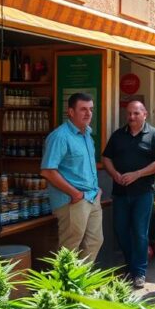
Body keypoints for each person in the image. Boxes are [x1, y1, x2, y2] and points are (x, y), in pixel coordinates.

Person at [101, 100, 155, 288]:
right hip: (120, 192)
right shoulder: (118, 135)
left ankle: (139, 272)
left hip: (143, 193)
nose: (131, 117)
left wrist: (137, 174)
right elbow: (106, 157)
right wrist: (114, 174)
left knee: (139, 232)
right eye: (129, 113)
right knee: (121, 231)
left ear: (145, 114)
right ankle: (130, 266)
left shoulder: (154, 135)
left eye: (136, 113)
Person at [41, 92, 103, 261]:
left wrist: (96, 189)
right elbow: (47, 170)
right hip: (72, 201)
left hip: (91, 197)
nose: (88, 113)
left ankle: (80, 283)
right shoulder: (60, 136)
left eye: (90, 109)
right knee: (69, 248)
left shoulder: (87, 135)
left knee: (94, 242)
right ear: (71, 112)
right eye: (83, 109)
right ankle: (63, 285)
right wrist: (75, 193)